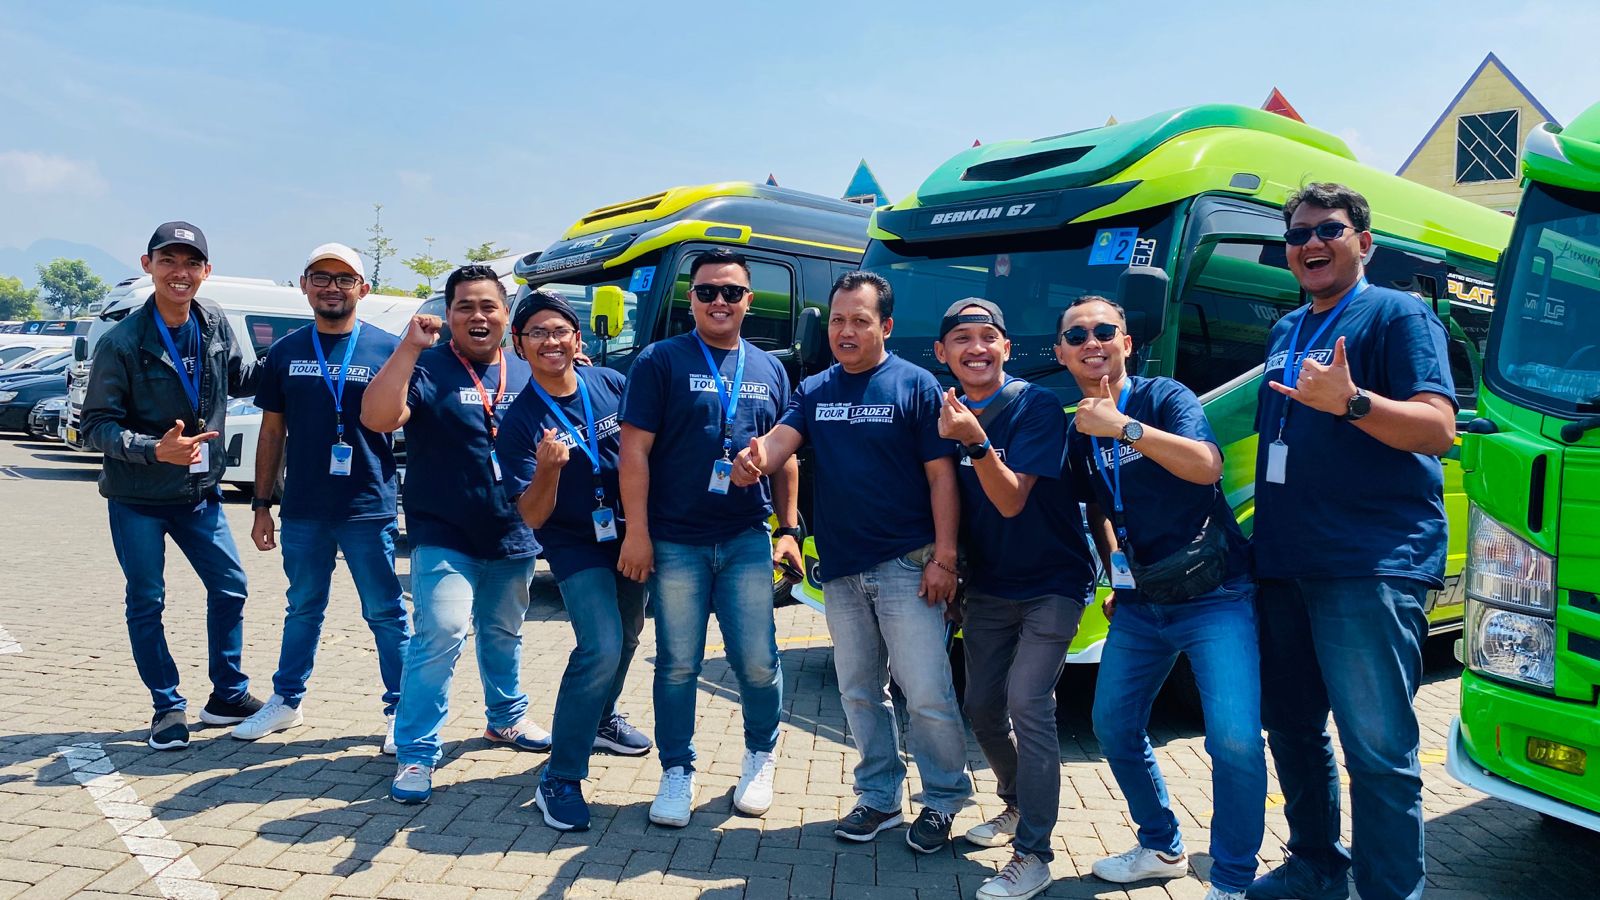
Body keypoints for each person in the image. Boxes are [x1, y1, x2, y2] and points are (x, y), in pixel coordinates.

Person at [1249, 184, 1458, 900]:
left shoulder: (1399, 314)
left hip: (1368, 562)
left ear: (1363, 242)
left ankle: (1390, 891)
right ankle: (1316, 865)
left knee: (1377, 749)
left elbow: (1438, 429)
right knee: (1292, 729)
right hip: (1284, 562)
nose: (1311, 243)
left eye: (1328, 230)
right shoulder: (1286, 329)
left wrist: (1353, 402)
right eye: (1297, 234)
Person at [733, 274, 971, 853]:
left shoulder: (916, 385)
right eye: (838, 320)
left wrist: (945, 557)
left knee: (926, 691)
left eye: (860, 321)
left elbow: (942, 478)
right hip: (841, 570)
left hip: (907, 565)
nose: (846, 331)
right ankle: (880, 796)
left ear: (884, 326)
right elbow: (781, 440)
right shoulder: (816, 387)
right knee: (860, 690)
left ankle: (943, 799)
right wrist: (754, 460)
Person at [1060, 296, 1263, 900]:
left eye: (1104, 330)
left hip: (1214, 594)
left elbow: (1206, 466)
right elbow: (1099, 508)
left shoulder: (1164, 398)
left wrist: (1124, 427)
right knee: (1113, 725)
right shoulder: (1078, 429)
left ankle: (1232, 879)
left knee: (1234, 740)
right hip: (1143, 603)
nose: (1092, 342)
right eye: (1077, 335)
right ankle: (1161, 846)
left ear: (1126, 342)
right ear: (1061, 353)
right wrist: (1117, 575)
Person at [617, 248, 800, 828]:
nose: (719, 301)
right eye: (706, 292)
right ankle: (677, 769)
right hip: (676, 541)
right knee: (677, 664)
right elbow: (633, 452)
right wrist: (637, 533)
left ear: (749, 300)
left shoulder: (770, 368)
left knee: (757, 661)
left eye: (731, 292)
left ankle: (760, 756)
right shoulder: (659, 360)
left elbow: (786, 455)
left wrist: (789, 529)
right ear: (690, 299)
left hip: (746, 537)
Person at [362, 264, 550, 805]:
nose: (477, 315)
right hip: (443, 532)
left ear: (506, 314)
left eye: (488, 305)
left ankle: (506, 717)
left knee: (504, 633)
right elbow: (377, 418)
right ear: (448, 315)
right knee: (441, 634)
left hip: (513, 529)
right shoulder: (427, 366)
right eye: (465, 306)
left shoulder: (528, 369)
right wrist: (408, 348)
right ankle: (416, 750)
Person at [931, 298, 1095, 897]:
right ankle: (1016, 802)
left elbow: (1009, 500)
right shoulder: (942, 412)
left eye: (987, 337)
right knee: (981, 706)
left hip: (1053, 582)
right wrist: (949, 565)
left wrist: (976, 443)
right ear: (941, 352)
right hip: (990, 586)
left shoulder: (1036, 406)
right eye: (962, 339)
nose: (976, 348)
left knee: (1029, 702)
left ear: (1006, 347)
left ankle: (1034, 853)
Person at [81, 221, 264, 749]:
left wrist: (308, 356)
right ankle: (166, 706)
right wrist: (152, 449)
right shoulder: (122, 342)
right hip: (137, 498)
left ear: (206, 271)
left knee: (231, 587)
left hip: (199, 494)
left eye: (191, 263)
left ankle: (227, 694)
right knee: (147, 600)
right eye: (168, 261)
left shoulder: (214, 321)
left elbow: (243, 377)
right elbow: (95, 425)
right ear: (148, 266)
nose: (180, 273)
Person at [233, 243, 410, 751]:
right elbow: (272, 433)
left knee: (385, 612)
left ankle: (402, 710)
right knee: (303, 607)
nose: (333, 287)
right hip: (304, 508)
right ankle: (286, 701)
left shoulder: (389, 349)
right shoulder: (286, 351)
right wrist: (261, 505)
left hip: (367, 505)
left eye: (344, 278)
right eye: (322, 277)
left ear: (363, 288)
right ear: (305, 285)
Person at [497, 289, 653, 833]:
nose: (551, 341)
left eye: (559, 331)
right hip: (574, 542)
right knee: (600, 645)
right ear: (519, 345)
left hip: (629, 531)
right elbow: (533, 515)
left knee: (628, 636)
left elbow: (645, 449)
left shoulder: (608, 383)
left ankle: (602, 720)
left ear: (577, 338)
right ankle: (560, 777)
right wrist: (548, 470)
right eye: (537, 333)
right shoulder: (520, 420)